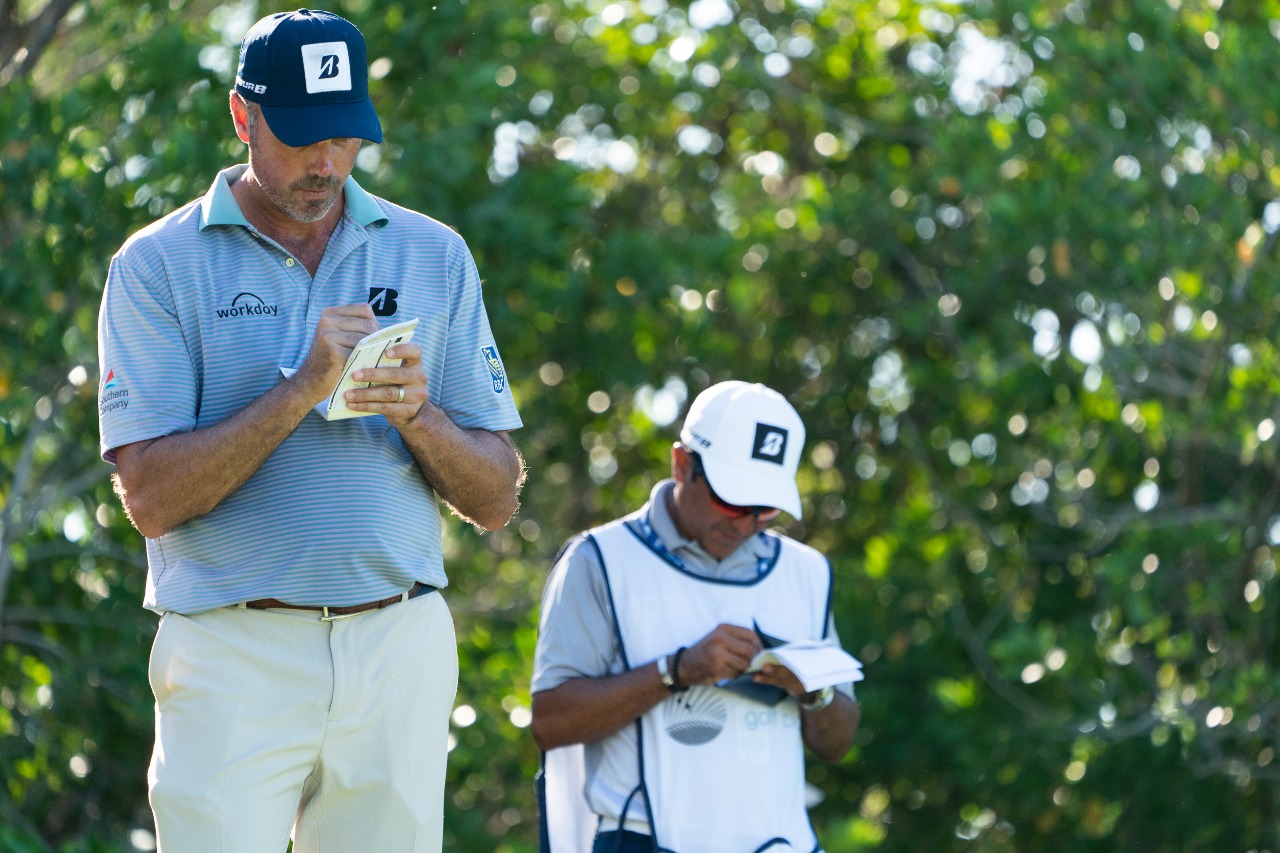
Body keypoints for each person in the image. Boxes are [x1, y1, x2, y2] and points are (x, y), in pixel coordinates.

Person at [95, 9, 524, 852]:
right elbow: (148, 498)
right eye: (299, 137)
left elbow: (499, 495)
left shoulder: (436, 254)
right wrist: (301, 390)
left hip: (401, 644)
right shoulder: (154, 264)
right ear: (242, 116)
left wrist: (420, 417)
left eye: (344, 135)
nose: (325, 163)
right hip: (230, 648)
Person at [531, 380, 861, 853]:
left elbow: (837, 743)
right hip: (644, 841)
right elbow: (550, 721)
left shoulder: (807, 572)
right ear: (682, 464)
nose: (744, 522)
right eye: (732, 499)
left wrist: (814, 691)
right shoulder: (599, 559)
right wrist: (676, 671)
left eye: (764, 508)